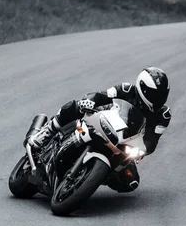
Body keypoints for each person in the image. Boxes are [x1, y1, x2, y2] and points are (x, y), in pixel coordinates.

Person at [28, 66, 172, 192]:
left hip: (126, 143)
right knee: (73, 107)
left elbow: (152, 142)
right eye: (155, 95)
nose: (159, 99)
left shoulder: (163, 116)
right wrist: (89, 101)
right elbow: (100, 96)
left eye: (162, 95)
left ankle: (91, 177)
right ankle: (46, 133)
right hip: (103, 122)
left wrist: (141, 151)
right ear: (143, 88)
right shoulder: (126, 89)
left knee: (131, 182)